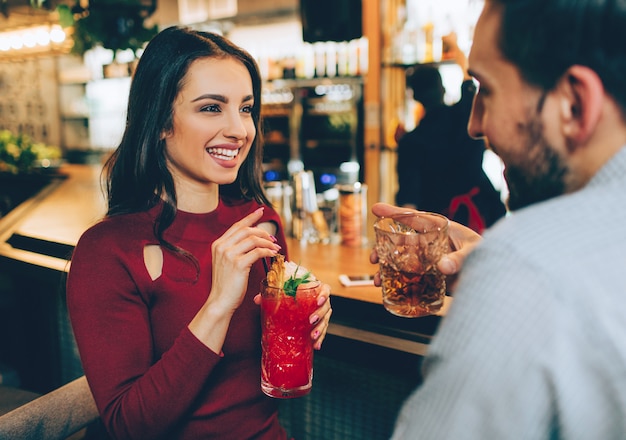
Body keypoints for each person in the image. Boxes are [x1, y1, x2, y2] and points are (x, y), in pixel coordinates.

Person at [373, 0, 626, 438]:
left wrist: (506, 270)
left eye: (486, 90)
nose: (474, 125)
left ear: (574, 104)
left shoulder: (527, 265)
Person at [66, 26, 332, 440]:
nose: (239, 130)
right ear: (159, 123)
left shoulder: (260, 222)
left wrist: (304, 313)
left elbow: (268, 390)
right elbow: (129, 425)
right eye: (211, 108)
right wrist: (218, 305)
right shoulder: (107, 251)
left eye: (246, 109)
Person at [395, 34, 506, 233]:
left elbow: (408, 203)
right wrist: (456, 47)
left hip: (441, 232)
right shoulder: (466, 117)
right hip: (487, 217)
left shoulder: (411, 142)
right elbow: (469, 78)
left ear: (415, 97)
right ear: (443, 88)